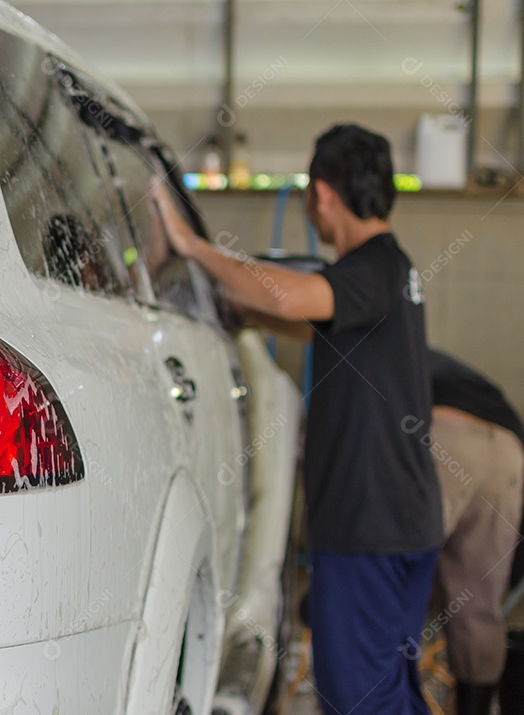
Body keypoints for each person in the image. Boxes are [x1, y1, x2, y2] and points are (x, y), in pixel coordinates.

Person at [153, 124, 442, 714]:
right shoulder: (392, 272)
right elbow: (315, 325)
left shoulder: (369, 268)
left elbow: (292, 298)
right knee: (387, 690)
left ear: (325, 196)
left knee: (357, 696)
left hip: (369, 529)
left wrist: (193, 247)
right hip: (403, 522)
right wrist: (240, 314)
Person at [423, 349, 524, 715]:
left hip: (444, 434)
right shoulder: (440, 360)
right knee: (478, 604)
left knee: (397, 581)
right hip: (507, 449)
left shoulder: (375, 354)